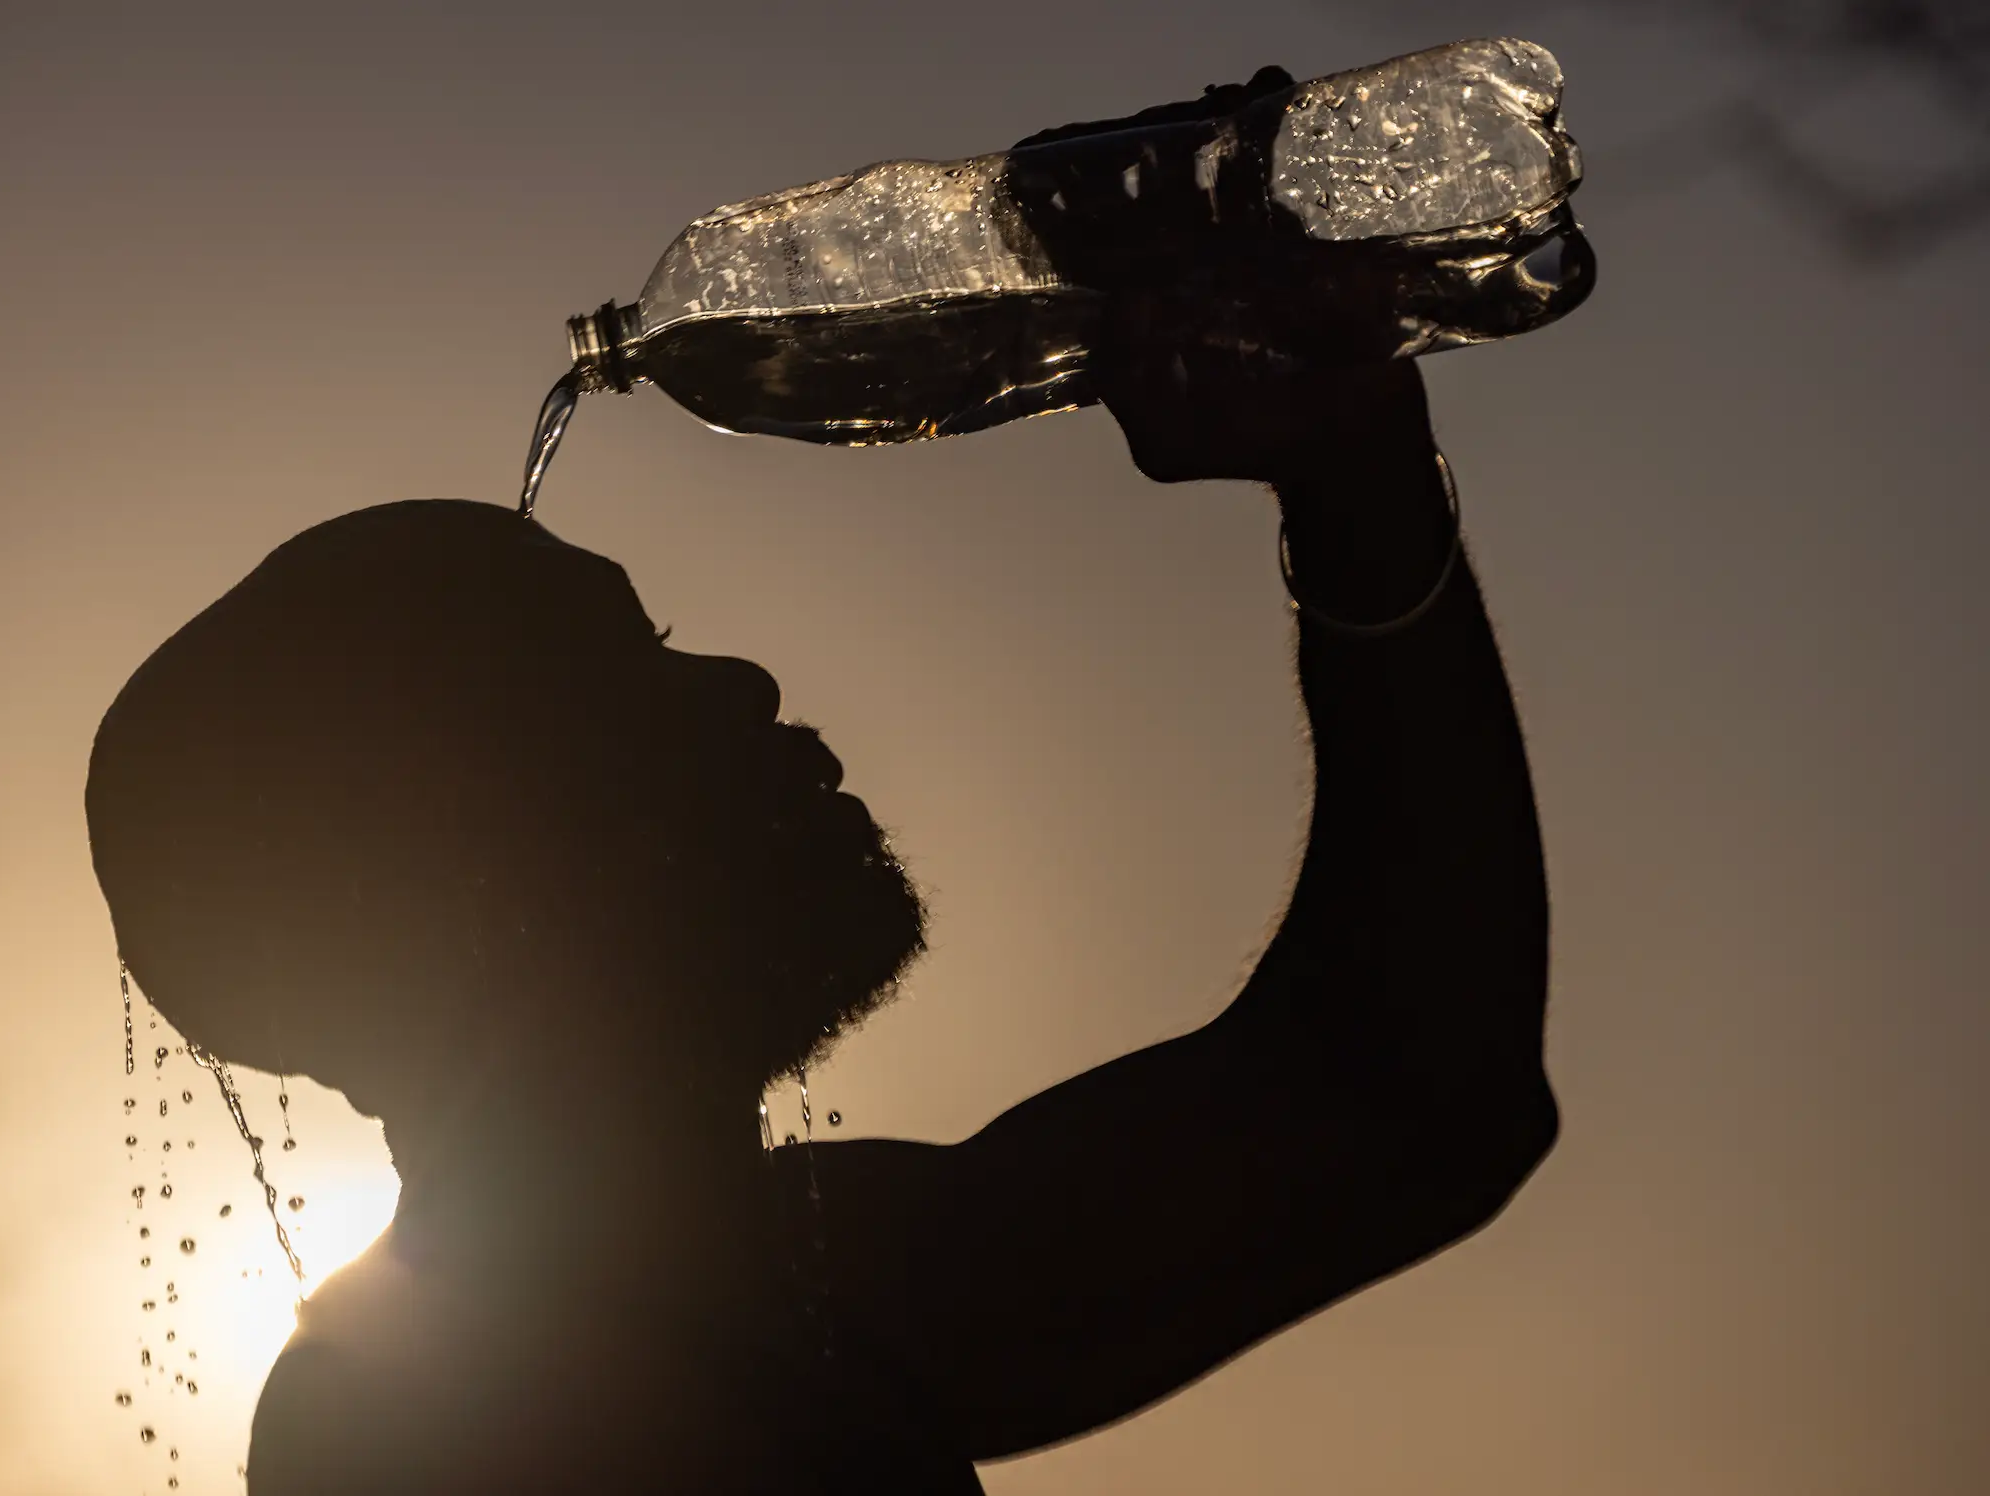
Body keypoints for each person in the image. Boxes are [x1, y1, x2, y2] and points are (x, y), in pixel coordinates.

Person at [84, 336, 1558, 1493]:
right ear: (441, 876)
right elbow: (1405, 1101)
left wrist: (1355, 474)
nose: (741, 682)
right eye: (602, 675)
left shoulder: (768, 1277)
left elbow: (1411, 1098)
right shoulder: (440, 1406)